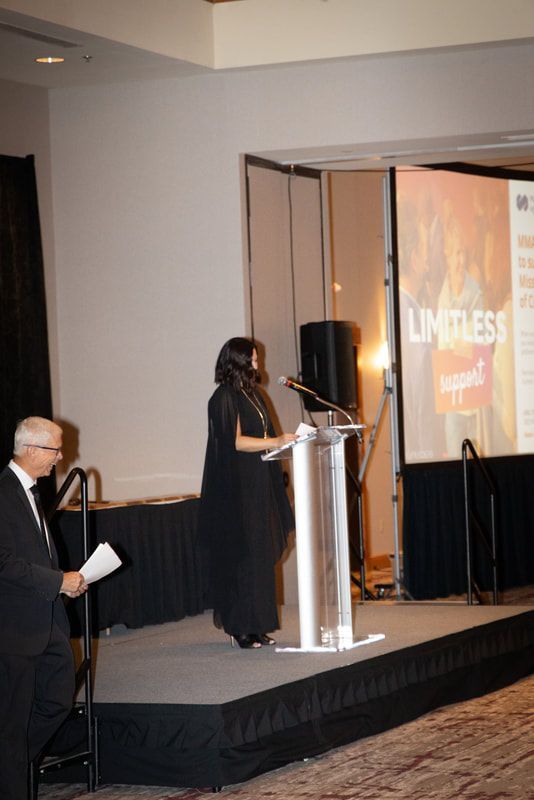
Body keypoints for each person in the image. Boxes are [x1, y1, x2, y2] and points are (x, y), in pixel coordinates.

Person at [0, 416, 88, 799]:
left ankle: (12, 761)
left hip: (48, 620)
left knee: (58, 700)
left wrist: (64, 583)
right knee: (12, 724)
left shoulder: (31, 492)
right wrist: (56, 582)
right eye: (55, 449)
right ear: (32, 450)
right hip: (14, 627)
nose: (61, 457)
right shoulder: (3, 492)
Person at [198, 338, 296, 649]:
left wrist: (280, 444)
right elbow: (236, 441)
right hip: (237, 490)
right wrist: (276, 441)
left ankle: (257, 625)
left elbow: (265, 435)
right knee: (243, 558)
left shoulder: (254, 394)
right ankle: (239, 626)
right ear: (238, 362)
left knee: (259, 556)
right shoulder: (223, 397)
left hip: (260, 483)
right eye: (253, 360)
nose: (258, 364)